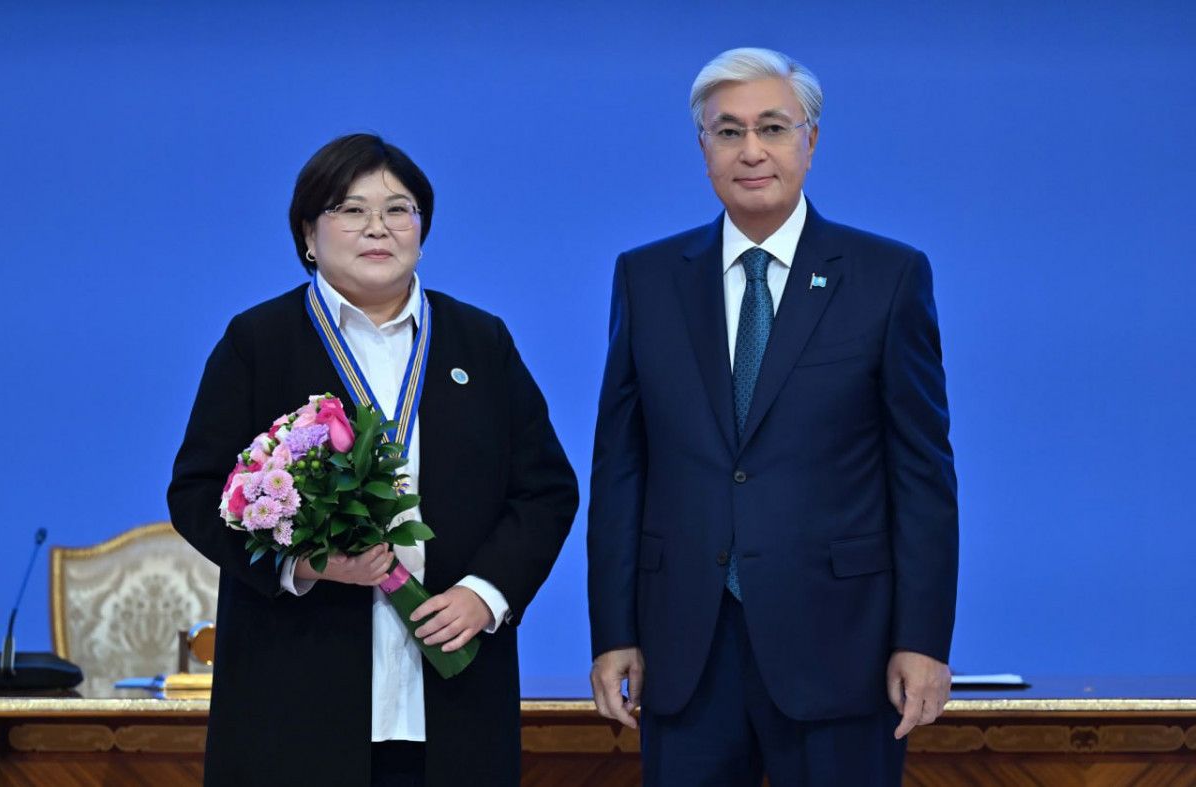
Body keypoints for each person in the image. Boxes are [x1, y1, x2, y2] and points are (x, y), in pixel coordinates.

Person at [587, 48, 958, 786]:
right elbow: (621, 468)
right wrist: (613, 632)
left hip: (843, 646)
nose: (751, 150)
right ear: (703, 148)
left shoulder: (887, 276)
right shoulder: (647, 277)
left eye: (773, 127)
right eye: (728, 131)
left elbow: (922, 475)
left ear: (810, 141)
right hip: (685, 647)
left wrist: (923, 639)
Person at [169, 133, 578, 787]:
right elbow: (196, 493)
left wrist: (487, 593)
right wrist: (302, 564)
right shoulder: (258, 341)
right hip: (295, 695)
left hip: (454, 694)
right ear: (309, 234)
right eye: (351, 209)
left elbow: (546, 490)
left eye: (398, 209)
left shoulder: (480, 341)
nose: (378, 227)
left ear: (422, 228)